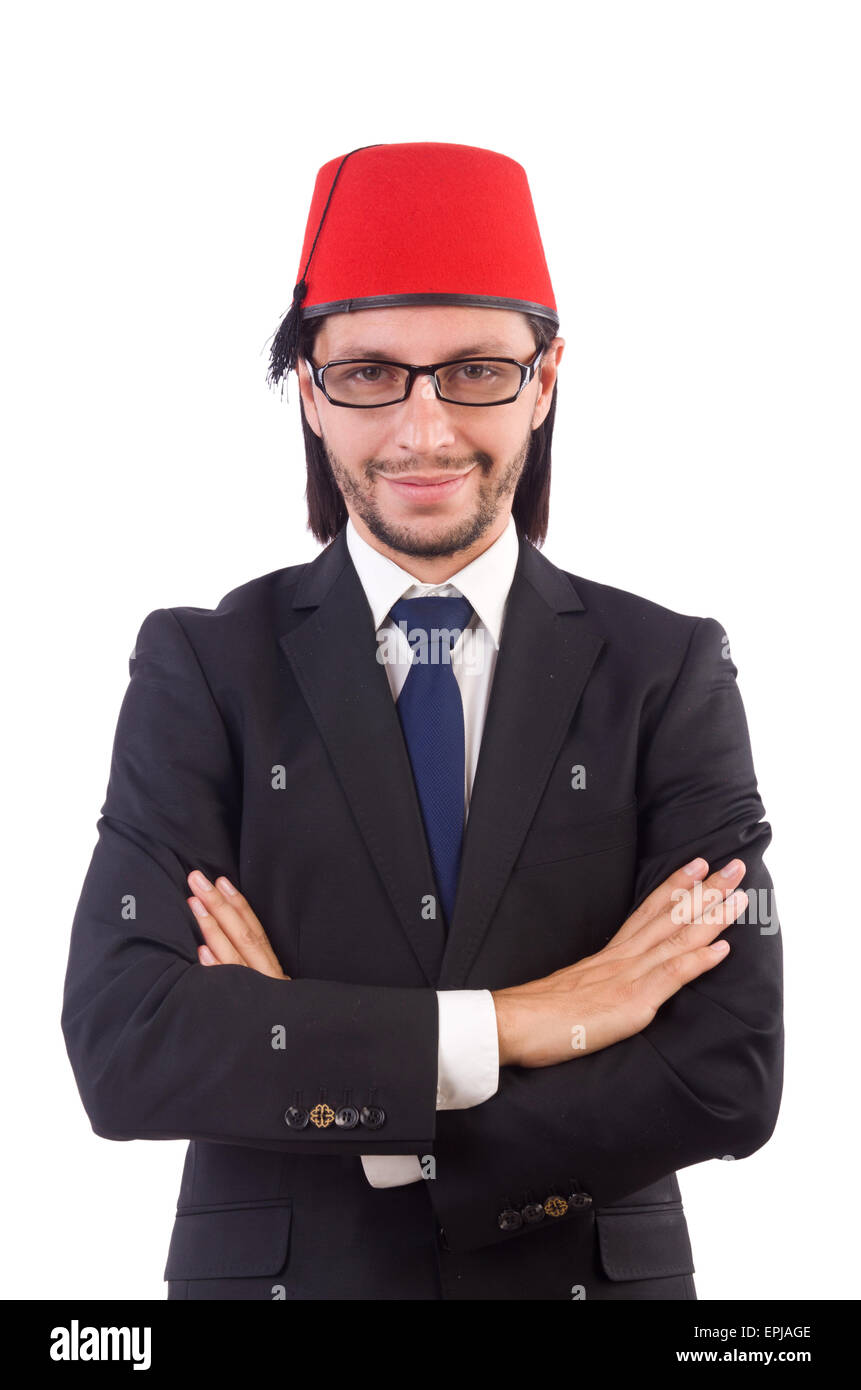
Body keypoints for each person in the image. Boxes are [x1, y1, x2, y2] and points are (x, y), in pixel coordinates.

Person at [61, 141, 783, 1301]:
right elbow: (129, 1043)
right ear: (309, 386)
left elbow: (728, 1068)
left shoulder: (667, 670)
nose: (424, 429)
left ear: (546, 379)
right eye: (369, 375)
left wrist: (358, 1094)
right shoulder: (201, 667)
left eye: (477, 372)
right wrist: (521, 1021)